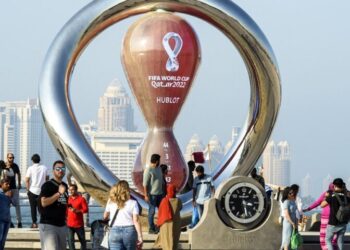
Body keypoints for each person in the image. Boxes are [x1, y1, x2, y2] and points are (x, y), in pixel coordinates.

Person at [103, 180, 143, 250]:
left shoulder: (111, 201)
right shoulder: (133, 203)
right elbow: (136, 221)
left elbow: (105, 216)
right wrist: (140, 236)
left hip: (114, 230)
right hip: (129, 231)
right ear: (128, 189)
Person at [39, 160, 68, 250]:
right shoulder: (47, 185)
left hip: (62, 225)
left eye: (63, 168)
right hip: (49, 225)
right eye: (58, 168)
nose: (60, 170)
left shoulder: (64, 185)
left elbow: (64, 203)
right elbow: (43, 202)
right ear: (53, 171)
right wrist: (59, 193)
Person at [303, 183, 337, 250]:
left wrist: (308, 209)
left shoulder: (325, 194)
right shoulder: (337, 195)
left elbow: (317, 203)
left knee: (324, 236)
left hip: (325, 218)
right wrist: (308, 208)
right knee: (333, 235)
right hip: (333, 218)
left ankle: (326, 248)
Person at [321, 178, 350, 250]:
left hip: (333, 223)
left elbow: (322, 205)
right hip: (343, 222)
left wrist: (327, 196)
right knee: (340, 241)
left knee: (328, 240)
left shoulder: (332, 196)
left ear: (334, 185)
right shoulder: (347, 197)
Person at [154, 184, 183, 250]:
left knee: (166, 240)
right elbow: (180, 208)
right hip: (176, 223)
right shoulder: (178, 201)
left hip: (166, 223)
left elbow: (160, 211)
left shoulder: (164, 201)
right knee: (174, 239)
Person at [25, 154, 49, 228]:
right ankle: (43, 222)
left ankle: (34, 223)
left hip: (32, 190)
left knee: (33, 208)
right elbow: (47, 178)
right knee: (41, 207)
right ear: (39, 160)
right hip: (41, 191)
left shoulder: (30, 168)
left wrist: (28, 190)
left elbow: (27, 180)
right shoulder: (44, 168)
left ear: (32, 160)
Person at [143, 153, 164, 234]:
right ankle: (151, 228)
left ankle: (159, 226)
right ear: (156, 161)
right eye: (159, 160)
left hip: (160, 194)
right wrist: (145, 195)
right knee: (152, 211)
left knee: (161, 211)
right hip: (152, 195)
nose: (160, 162)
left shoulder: (159, 169)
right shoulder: (148, 170)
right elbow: (145, 184)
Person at [67, 184, 88, 250]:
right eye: (70, 190)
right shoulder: (67, 199)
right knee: (70, 241)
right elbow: (65, 209)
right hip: (69, 225)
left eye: (72, 189)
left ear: (76, 190)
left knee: (82, 242)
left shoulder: (81, 199)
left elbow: (86, 210)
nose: (71, 191)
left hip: (79, 225)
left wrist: (77, 211)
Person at [4, 153, 22, 228]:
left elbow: (19, 174)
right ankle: (10, 222)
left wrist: (19, 183)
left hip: (14, 188)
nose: (11, 159)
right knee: (7, 206)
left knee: (17, 205)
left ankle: (19, 222)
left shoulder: (15, 166)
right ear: (7, 158)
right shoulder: (4, 166)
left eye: (12, 157)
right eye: (10, 157)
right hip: (6, 189)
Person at [0, 178, 12, 250]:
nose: (8, 185)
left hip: (7, 220)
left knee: (3, 242)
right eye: (6, 184)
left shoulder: (7, 194)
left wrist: (9, 197)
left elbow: (14, 204)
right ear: (1, 185)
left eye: (9, 184)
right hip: (0, 220)